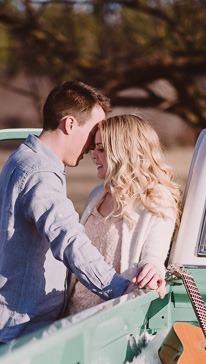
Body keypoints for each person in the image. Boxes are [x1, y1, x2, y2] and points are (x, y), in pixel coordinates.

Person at [0, 81, 138, 355]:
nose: (93, 148)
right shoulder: (39, 173)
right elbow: (68, 238)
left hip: (5, 331)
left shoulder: (22, 159)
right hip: (13, 336)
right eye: (93, 132)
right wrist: (121, 288)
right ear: (69, 124)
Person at [65, 114, 181, 316]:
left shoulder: (156, 197)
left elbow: (154, 254)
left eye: (101, 149)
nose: (93, 155)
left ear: (124, 152)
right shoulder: (98, 194)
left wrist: (152, 271)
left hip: (111, 319)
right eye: (94, 148)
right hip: (72, 316)